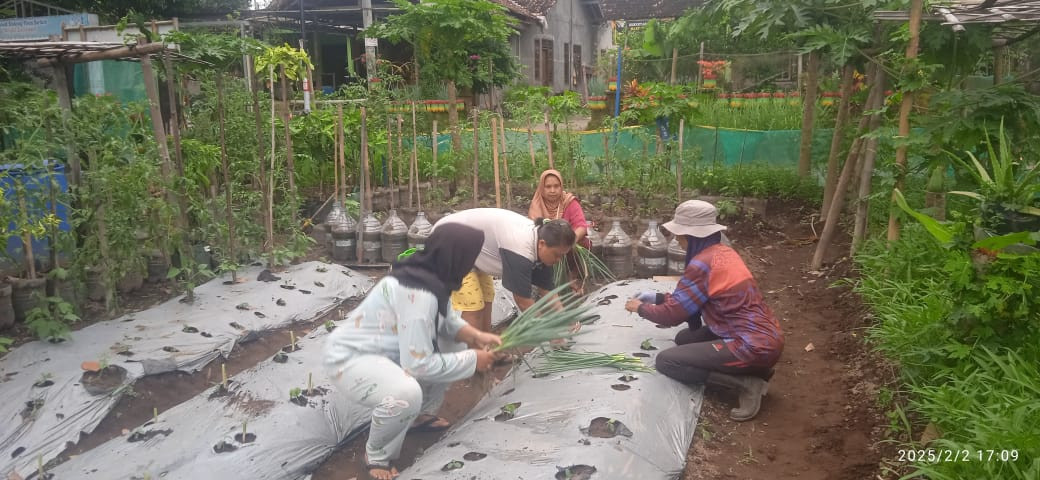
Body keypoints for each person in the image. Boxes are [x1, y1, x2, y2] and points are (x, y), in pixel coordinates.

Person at [323, 223, 502, 480]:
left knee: (453, 344)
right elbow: (417, 365)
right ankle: (376, 454)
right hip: (351, 360)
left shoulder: (427, 275)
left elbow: (448, 322)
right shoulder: (418, 294)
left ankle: (418, 417)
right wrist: (473, 360)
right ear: (455, 256)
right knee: (406, 392)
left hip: (387, 349)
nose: (471, 263)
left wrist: (477, 336)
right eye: (469, 257)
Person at [624, 200, 783, 421]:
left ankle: (747, 384)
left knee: (667, 361)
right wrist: (657, 297)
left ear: (693, 237)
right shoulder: (722, 253)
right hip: (764, 337)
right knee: (684, 338)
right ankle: (758, 370)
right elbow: (690, 299)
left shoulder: (702, 264)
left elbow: (673, 315)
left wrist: (641, 308)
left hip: (751, 345)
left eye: (679, 235)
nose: (676, 240)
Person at [434, 208, 575, 332]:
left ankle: (484, 349)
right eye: (557, 255)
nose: (558, 260)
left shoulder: (540, 241)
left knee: (487, 297)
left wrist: (564, 319)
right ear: (542, 244)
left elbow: (547, 289)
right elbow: (523, 301)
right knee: (474, 306)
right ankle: (471, 358)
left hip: (472, 248)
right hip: (449, 242)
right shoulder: (520, 249)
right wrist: (549, 332)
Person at [528, 169, 591, 294]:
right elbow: (533, 231)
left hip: (567, 246)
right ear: (542, 188)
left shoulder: (569, 202)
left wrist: (570, 241)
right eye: (548, 187)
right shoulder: (537, 204)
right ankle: (545, 282)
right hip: (546, 246)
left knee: (583, 243)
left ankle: (573, 277)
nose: (553, 190)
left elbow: (581, 226)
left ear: (561, 186)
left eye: (556, 186)